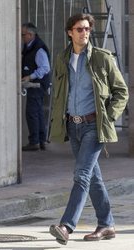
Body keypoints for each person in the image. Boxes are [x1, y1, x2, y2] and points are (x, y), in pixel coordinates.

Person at [49, 13, 128, 245]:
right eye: (79, 29)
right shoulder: (62, 58)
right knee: (93, 178)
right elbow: (61, 92)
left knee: (81, 175)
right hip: (73, 125)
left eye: (87, 29)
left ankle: (66, 226)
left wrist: (109, 116)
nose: (84, 33)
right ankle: (107, 224)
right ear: (69, 32)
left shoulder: (102, 58)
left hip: (94, 124)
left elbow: (121, 91)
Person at [21, 22, 51, 151]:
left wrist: (30, 76)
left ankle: (34, 142)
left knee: (32, 113)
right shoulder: (30, 46)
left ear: (30, 34)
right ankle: (41, 140)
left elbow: (45, 68)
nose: (22, 37)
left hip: (37, 84)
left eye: (23, 34)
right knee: (38, 112)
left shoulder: (38, 48)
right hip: (36, 84)